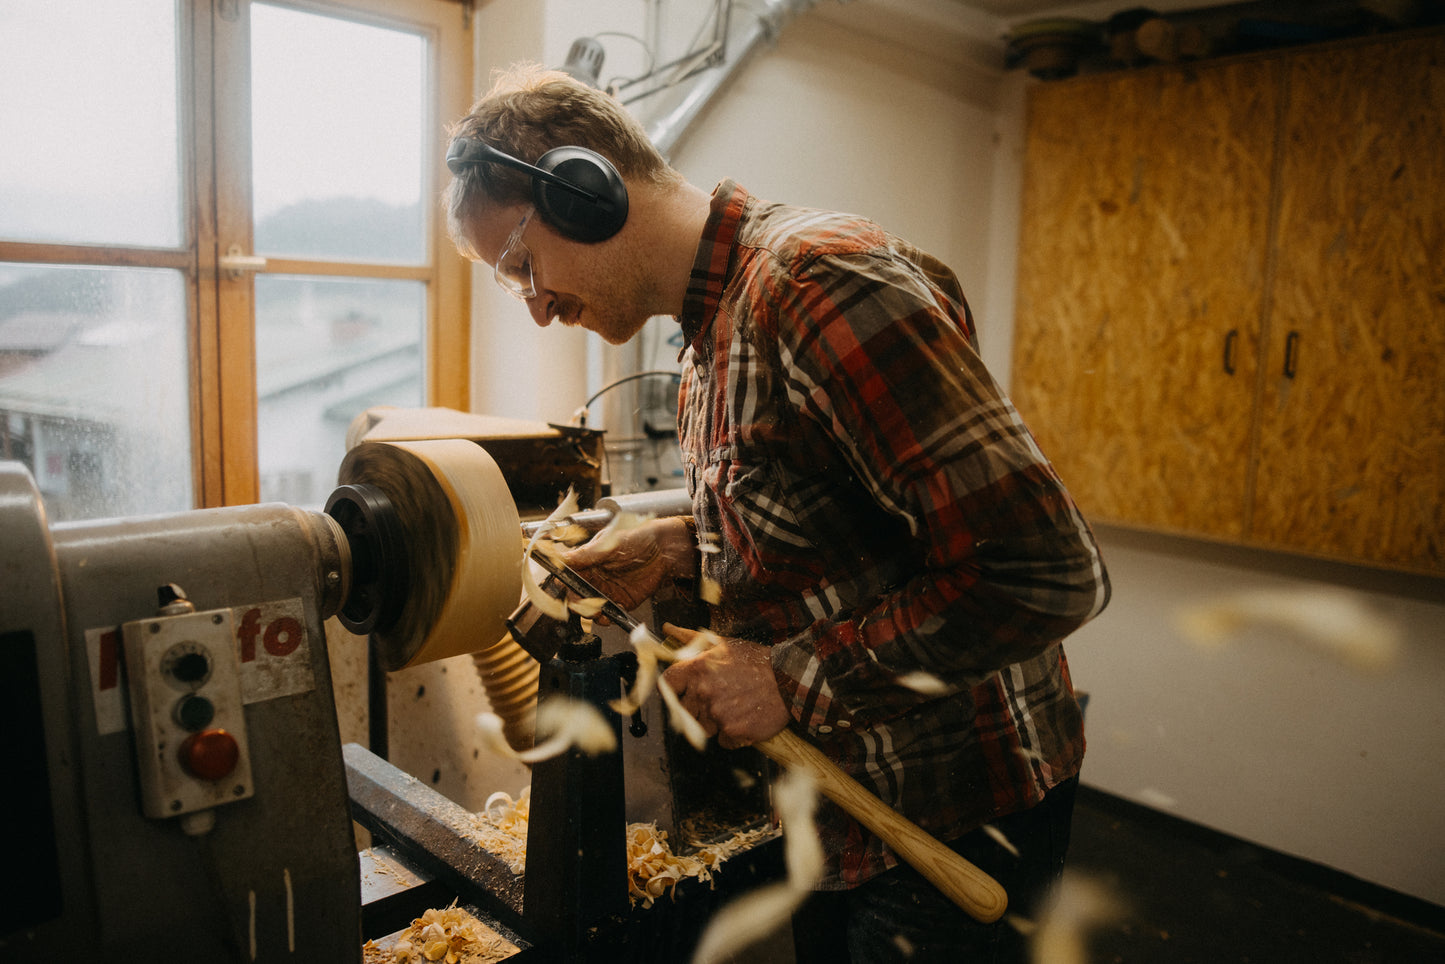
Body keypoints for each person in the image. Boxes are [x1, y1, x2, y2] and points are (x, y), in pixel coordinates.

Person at [445, 64, 1110, 963]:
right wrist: (683, 545)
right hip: (842, 812)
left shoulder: (813, 283)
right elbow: (843, 513)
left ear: (584, 187)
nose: (533, 307)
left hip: (953, 812)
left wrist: (785, 680)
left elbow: (1043, 570)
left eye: (521, 263)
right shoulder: (705, 340)